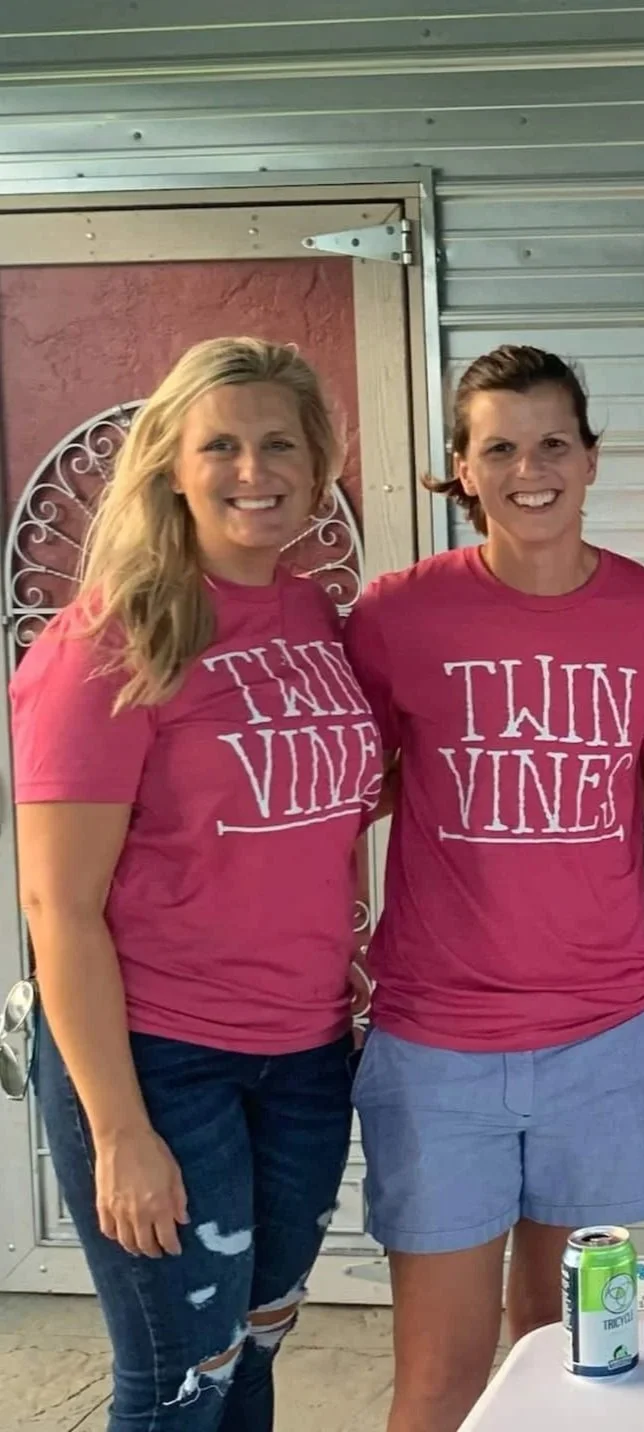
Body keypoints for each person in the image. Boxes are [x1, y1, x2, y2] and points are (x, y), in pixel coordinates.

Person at [343, 346, 644, 1432]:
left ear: (591, 458)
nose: (529, 468)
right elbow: (344, 791)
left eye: (553, 442)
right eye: (498, 447)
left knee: (571, 1364)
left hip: (604, 1040)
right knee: (444, 1380)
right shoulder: (395, 615)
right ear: (462, 470)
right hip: (437, 1047)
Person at [13, 337, 378, 1429]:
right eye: (219, 444)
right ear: (171, 462)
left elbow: (309, 793)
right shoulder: (109, 642)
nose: (251, 469)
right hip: (161, 1060)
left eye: (279, 443)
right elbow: (57, 906)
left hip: (308, 1051)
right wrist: (119, 1128)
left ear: (317, 467)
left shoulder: (311, 616)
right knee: (180, 1377)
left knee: (253, 1353)